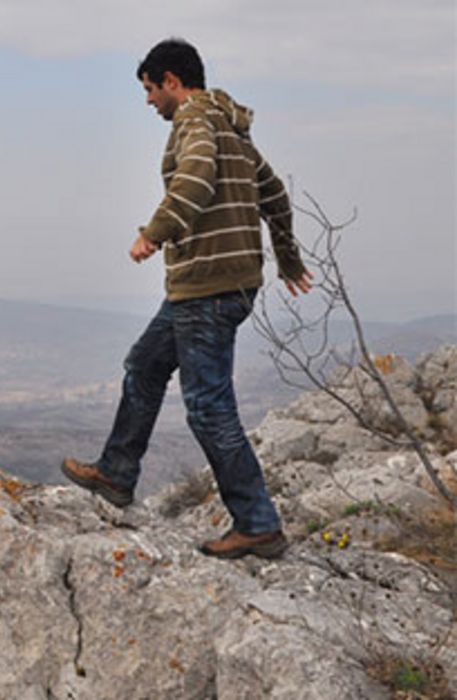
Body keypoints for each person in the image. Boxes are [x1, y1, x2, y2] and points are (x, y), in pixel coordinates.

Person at [61, 38, 314, 559]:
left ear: (172, 82)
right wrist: (286, 259)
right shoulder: (232, 130)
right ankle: (116, 473)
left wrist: (155, 232)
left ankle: (258, 523)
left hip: (209, 287)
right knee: (146, 365)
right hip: (215, 285)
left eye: (151, 90)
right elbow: (275, 195)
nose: (150, 102)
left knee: (207, 408)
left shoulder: (197, 122)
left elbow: (195, 178)